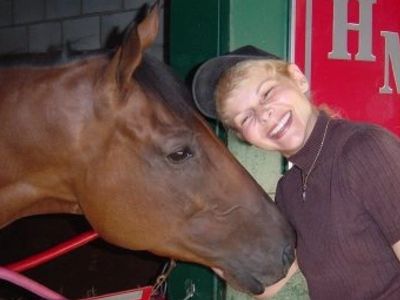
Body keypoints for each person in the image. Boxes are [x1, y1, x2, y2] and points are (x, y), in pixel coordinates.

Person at [192, 45, 400, 299]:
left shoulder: (364, 149)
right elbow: (267, 285)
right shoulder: (289, 189)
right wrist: (191, 237)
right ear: (244, 138)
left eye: (267, 92)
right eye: (245, 118)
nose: (264, 114)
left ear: (298, 78)